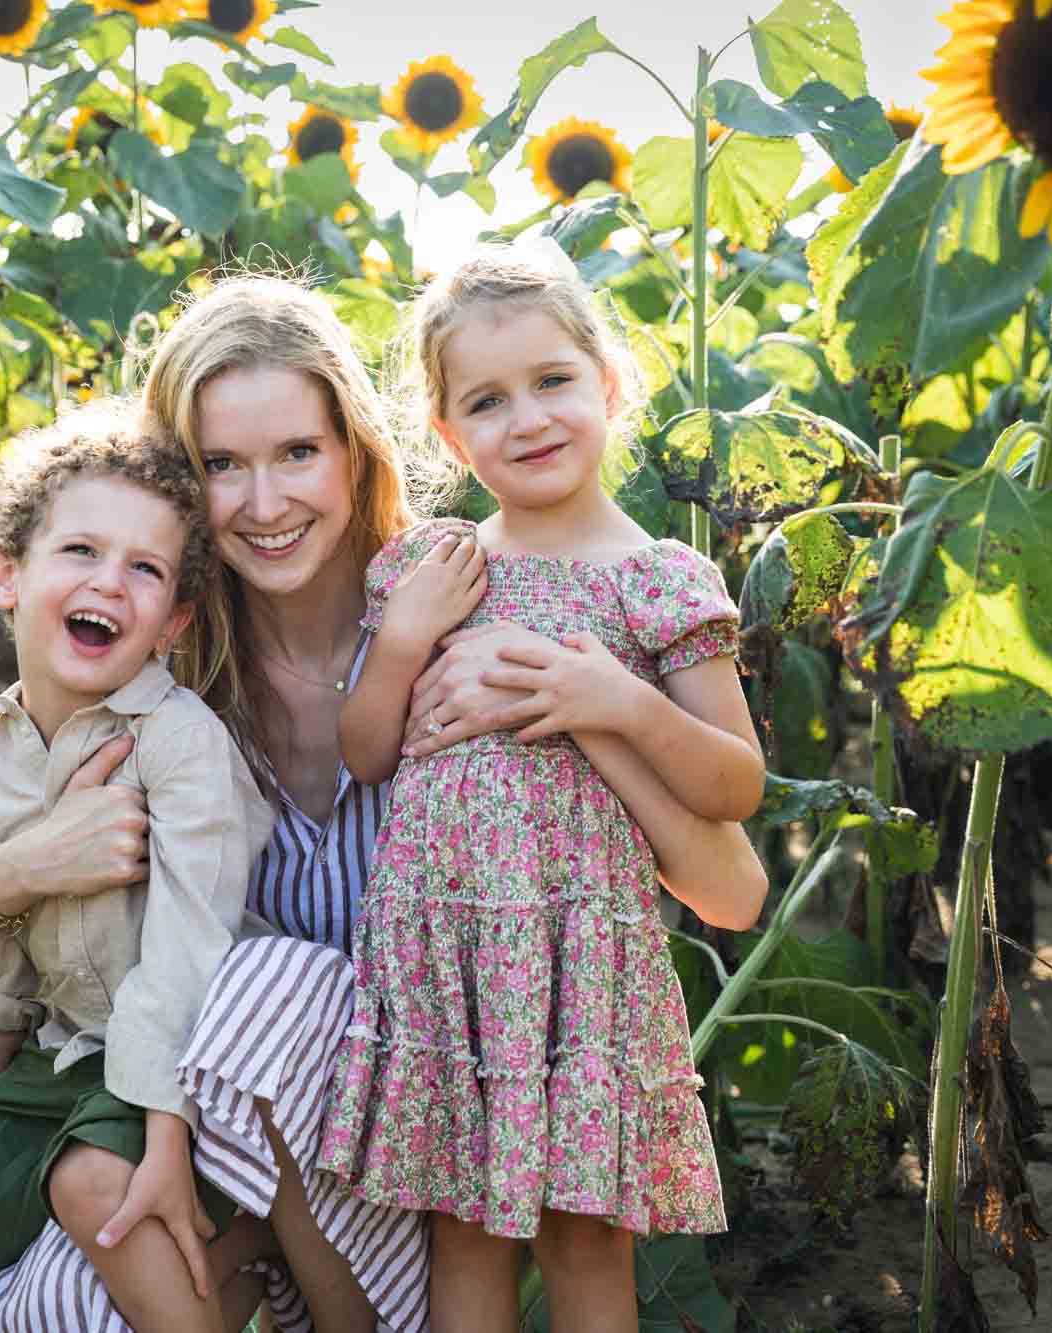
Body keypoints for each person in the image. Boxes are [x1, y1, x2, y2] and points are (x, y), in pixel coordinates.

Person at [0, 272, 764, 1333]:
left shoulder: (460, 611)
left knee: (266, 985)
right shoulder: (154, 680)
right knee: (50, 1315)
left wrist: (585, 712)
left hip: (436, 1133)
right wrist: (24, 861)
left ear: (357, 448)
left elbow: (730, 885)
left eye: (297, 452)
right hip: (214, 1149)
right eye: (219, 467)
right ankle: (251, 1275)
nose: (264, 503)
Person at [316, 240, 770, 1332]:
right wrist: (401, 642)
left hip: (582, 956)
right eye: (486, 400)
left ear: (608, 384)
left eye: (552, 381)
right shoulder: (437, 567)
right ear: (447, 434)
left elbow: (734, 781)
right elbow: (366, 751)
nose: (525, 419)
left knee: (585, 1232)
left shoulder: (656, 578)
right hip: (446, 952)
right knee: (461, 1226)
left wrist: (611, 698)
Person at [0, 398, 282, 1333]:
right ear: (5, 573)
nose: (111, 582)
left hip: (198, 1056)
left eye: (145, 569)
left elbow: (186, 956)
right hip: (68, 1063)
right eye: (81, 553)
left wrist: (166, 1136)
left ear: (172, 621)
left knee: (96, 1182)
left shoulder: (177, 744)